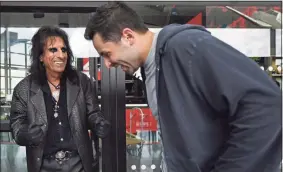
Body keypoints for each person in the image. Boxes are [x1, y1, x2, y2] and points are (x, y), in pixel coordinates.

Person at [84, 2, 282, 172]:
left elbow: (267, 107)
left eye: (107, 54)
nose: (108, 64)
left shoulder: (186, 47)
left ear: (128, 36)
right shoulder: (154, 67)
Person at [10, 25, 110, 172]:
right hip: (43, 165)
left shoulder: (81, 82)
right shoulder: (24, 88)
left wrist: (98, 123)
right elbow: (16, 125)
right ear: (41, 57)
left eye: (63, 50)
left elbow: (92, 112)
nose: (61, 55)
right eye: (53, 50)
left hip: (79, 163)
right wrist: (26, 134)